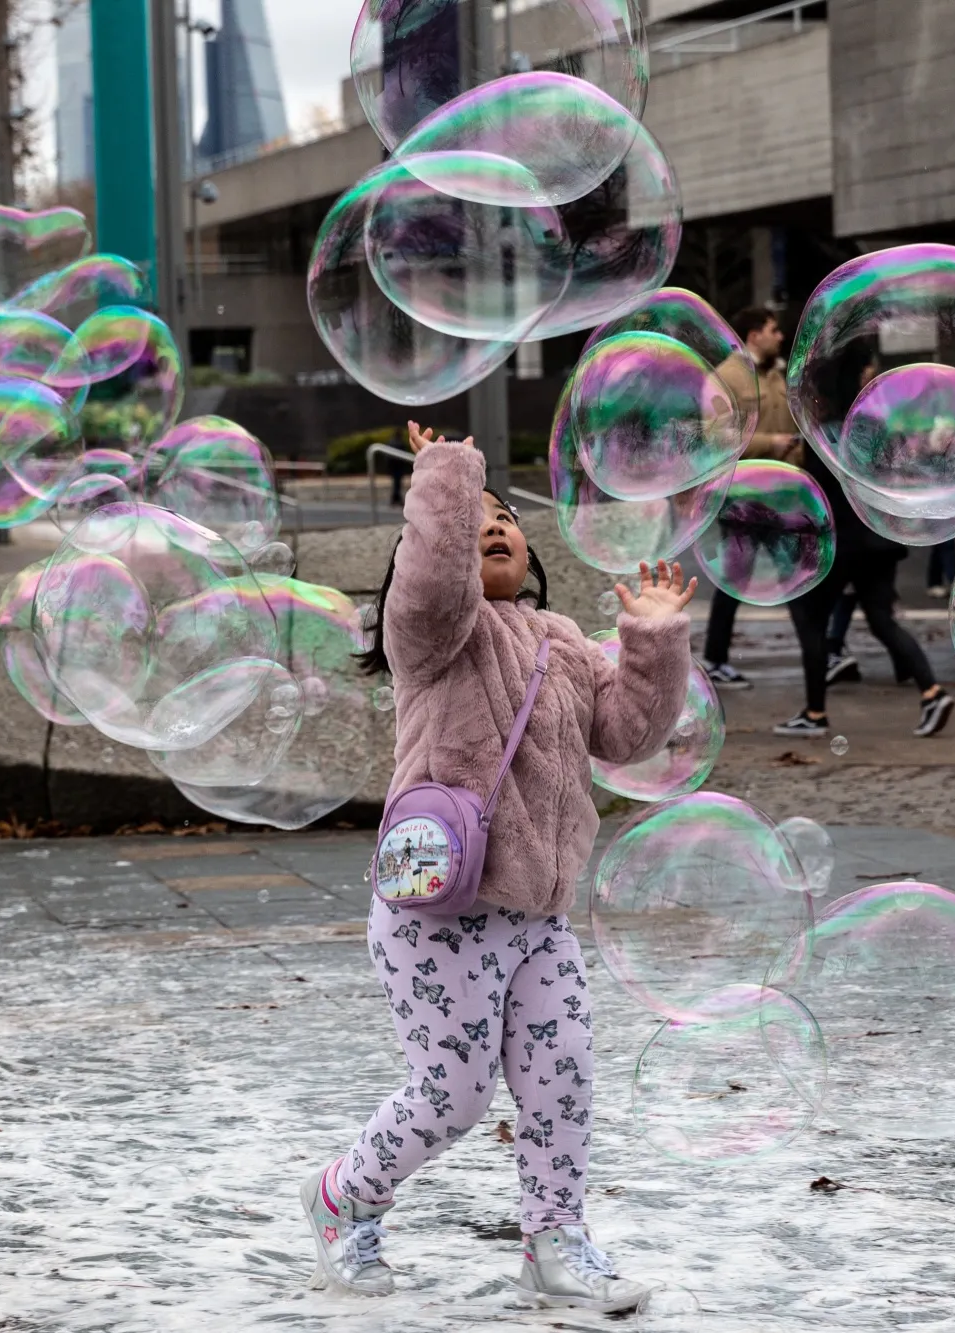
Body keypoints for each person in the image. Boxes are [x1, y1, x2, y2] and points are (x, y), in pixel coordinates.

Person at [305, 420, 694, 1312]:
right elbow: (430, 584)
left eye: (506, 515)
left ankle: (554, 1243)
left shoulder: (561, 641)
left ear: (532, 551)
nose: (492, 523)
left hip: (539, 916)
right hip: (441, 908)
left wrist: (650, 639)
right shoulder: (436, 637)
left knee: (563, 1079)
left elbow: (627, 734)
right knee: (453, 1094)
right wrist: (447, 474)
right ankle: (343, 1196)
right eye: (472, 518)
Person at [777, 419, 954, 738]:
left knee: (811, 621)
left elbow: (814, 496)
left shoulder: (824, 434)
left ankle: (815, 713)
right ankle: (932, 693)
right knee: (882, 620)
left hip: (843, 543)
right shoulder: (877, 428)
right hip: (879, 541)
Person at [701, 306, 802, 689]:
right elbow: (716, 435)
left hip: (781, 492)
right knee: (736, 579)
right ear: (754, 334)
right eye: (774, 330)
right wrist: (770, 443)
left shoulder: (777, 374)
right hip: (743, 495)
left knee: (795, 574)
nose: (780, 337)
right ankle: (715, 659)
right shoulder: (726, 377)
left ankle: (824, 651)